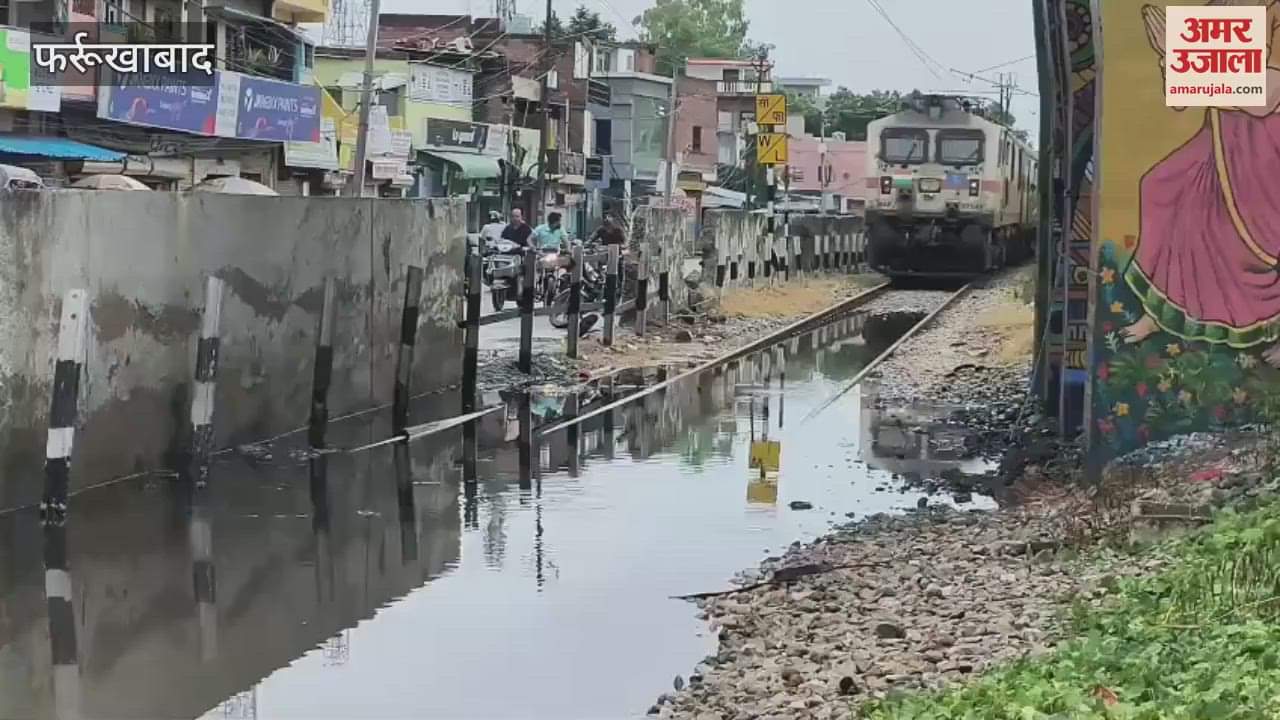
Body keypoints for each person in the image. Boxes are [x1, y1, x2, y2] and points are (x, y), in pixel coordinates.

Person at [1122, 0, 1280, 365]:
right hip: (1222, 136)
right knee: (1162, 187)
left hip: (1266, 139)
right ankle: (1163, 310)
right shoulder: (1223, 8)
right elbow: (1181, 96)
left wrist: (1182, 56)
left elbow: (1267, 96)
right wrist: (1171, 57)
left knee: (1257, 236)